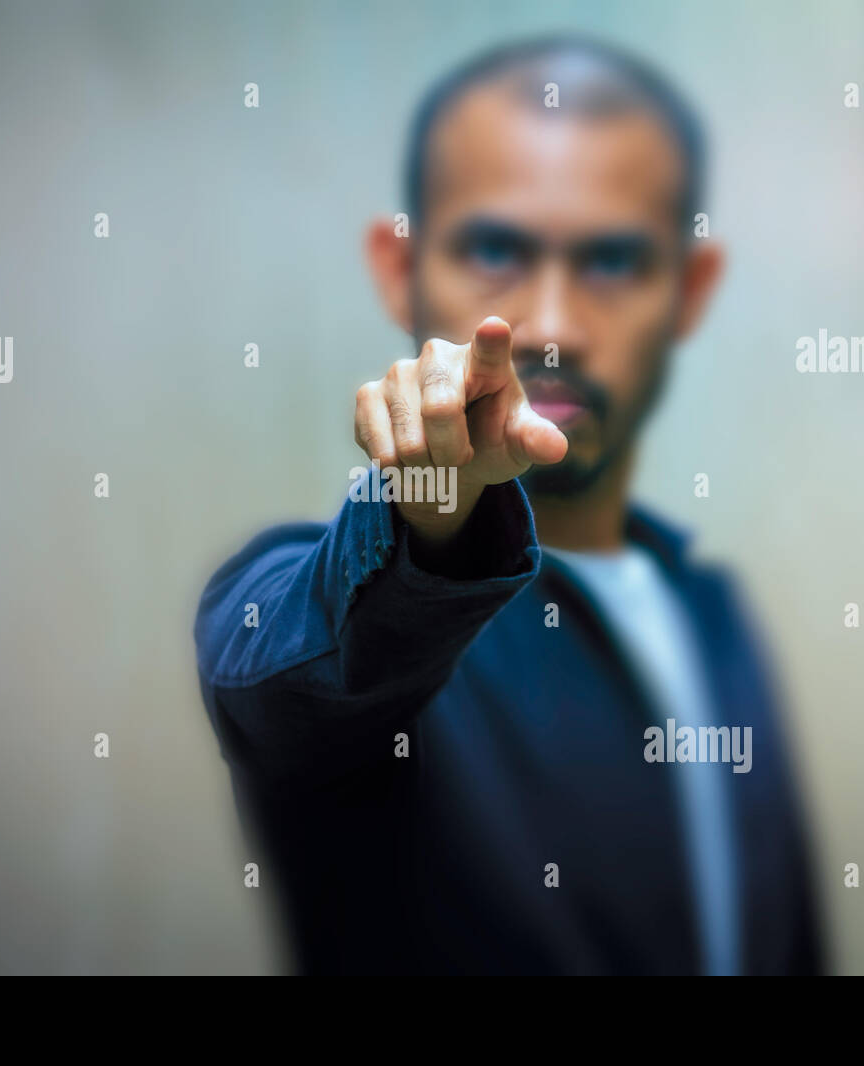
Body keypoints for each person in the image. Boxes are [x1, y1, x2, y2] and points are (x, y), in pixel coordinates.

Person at [194, 34, 825, 975]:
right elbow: (285, 681)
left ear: (689, 291)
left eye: (613, 262)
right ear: (397, 267)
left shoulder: (713, 613)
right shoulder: (334, 612)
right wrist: (427, 523)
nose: (557, 326)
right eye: (496, 249)